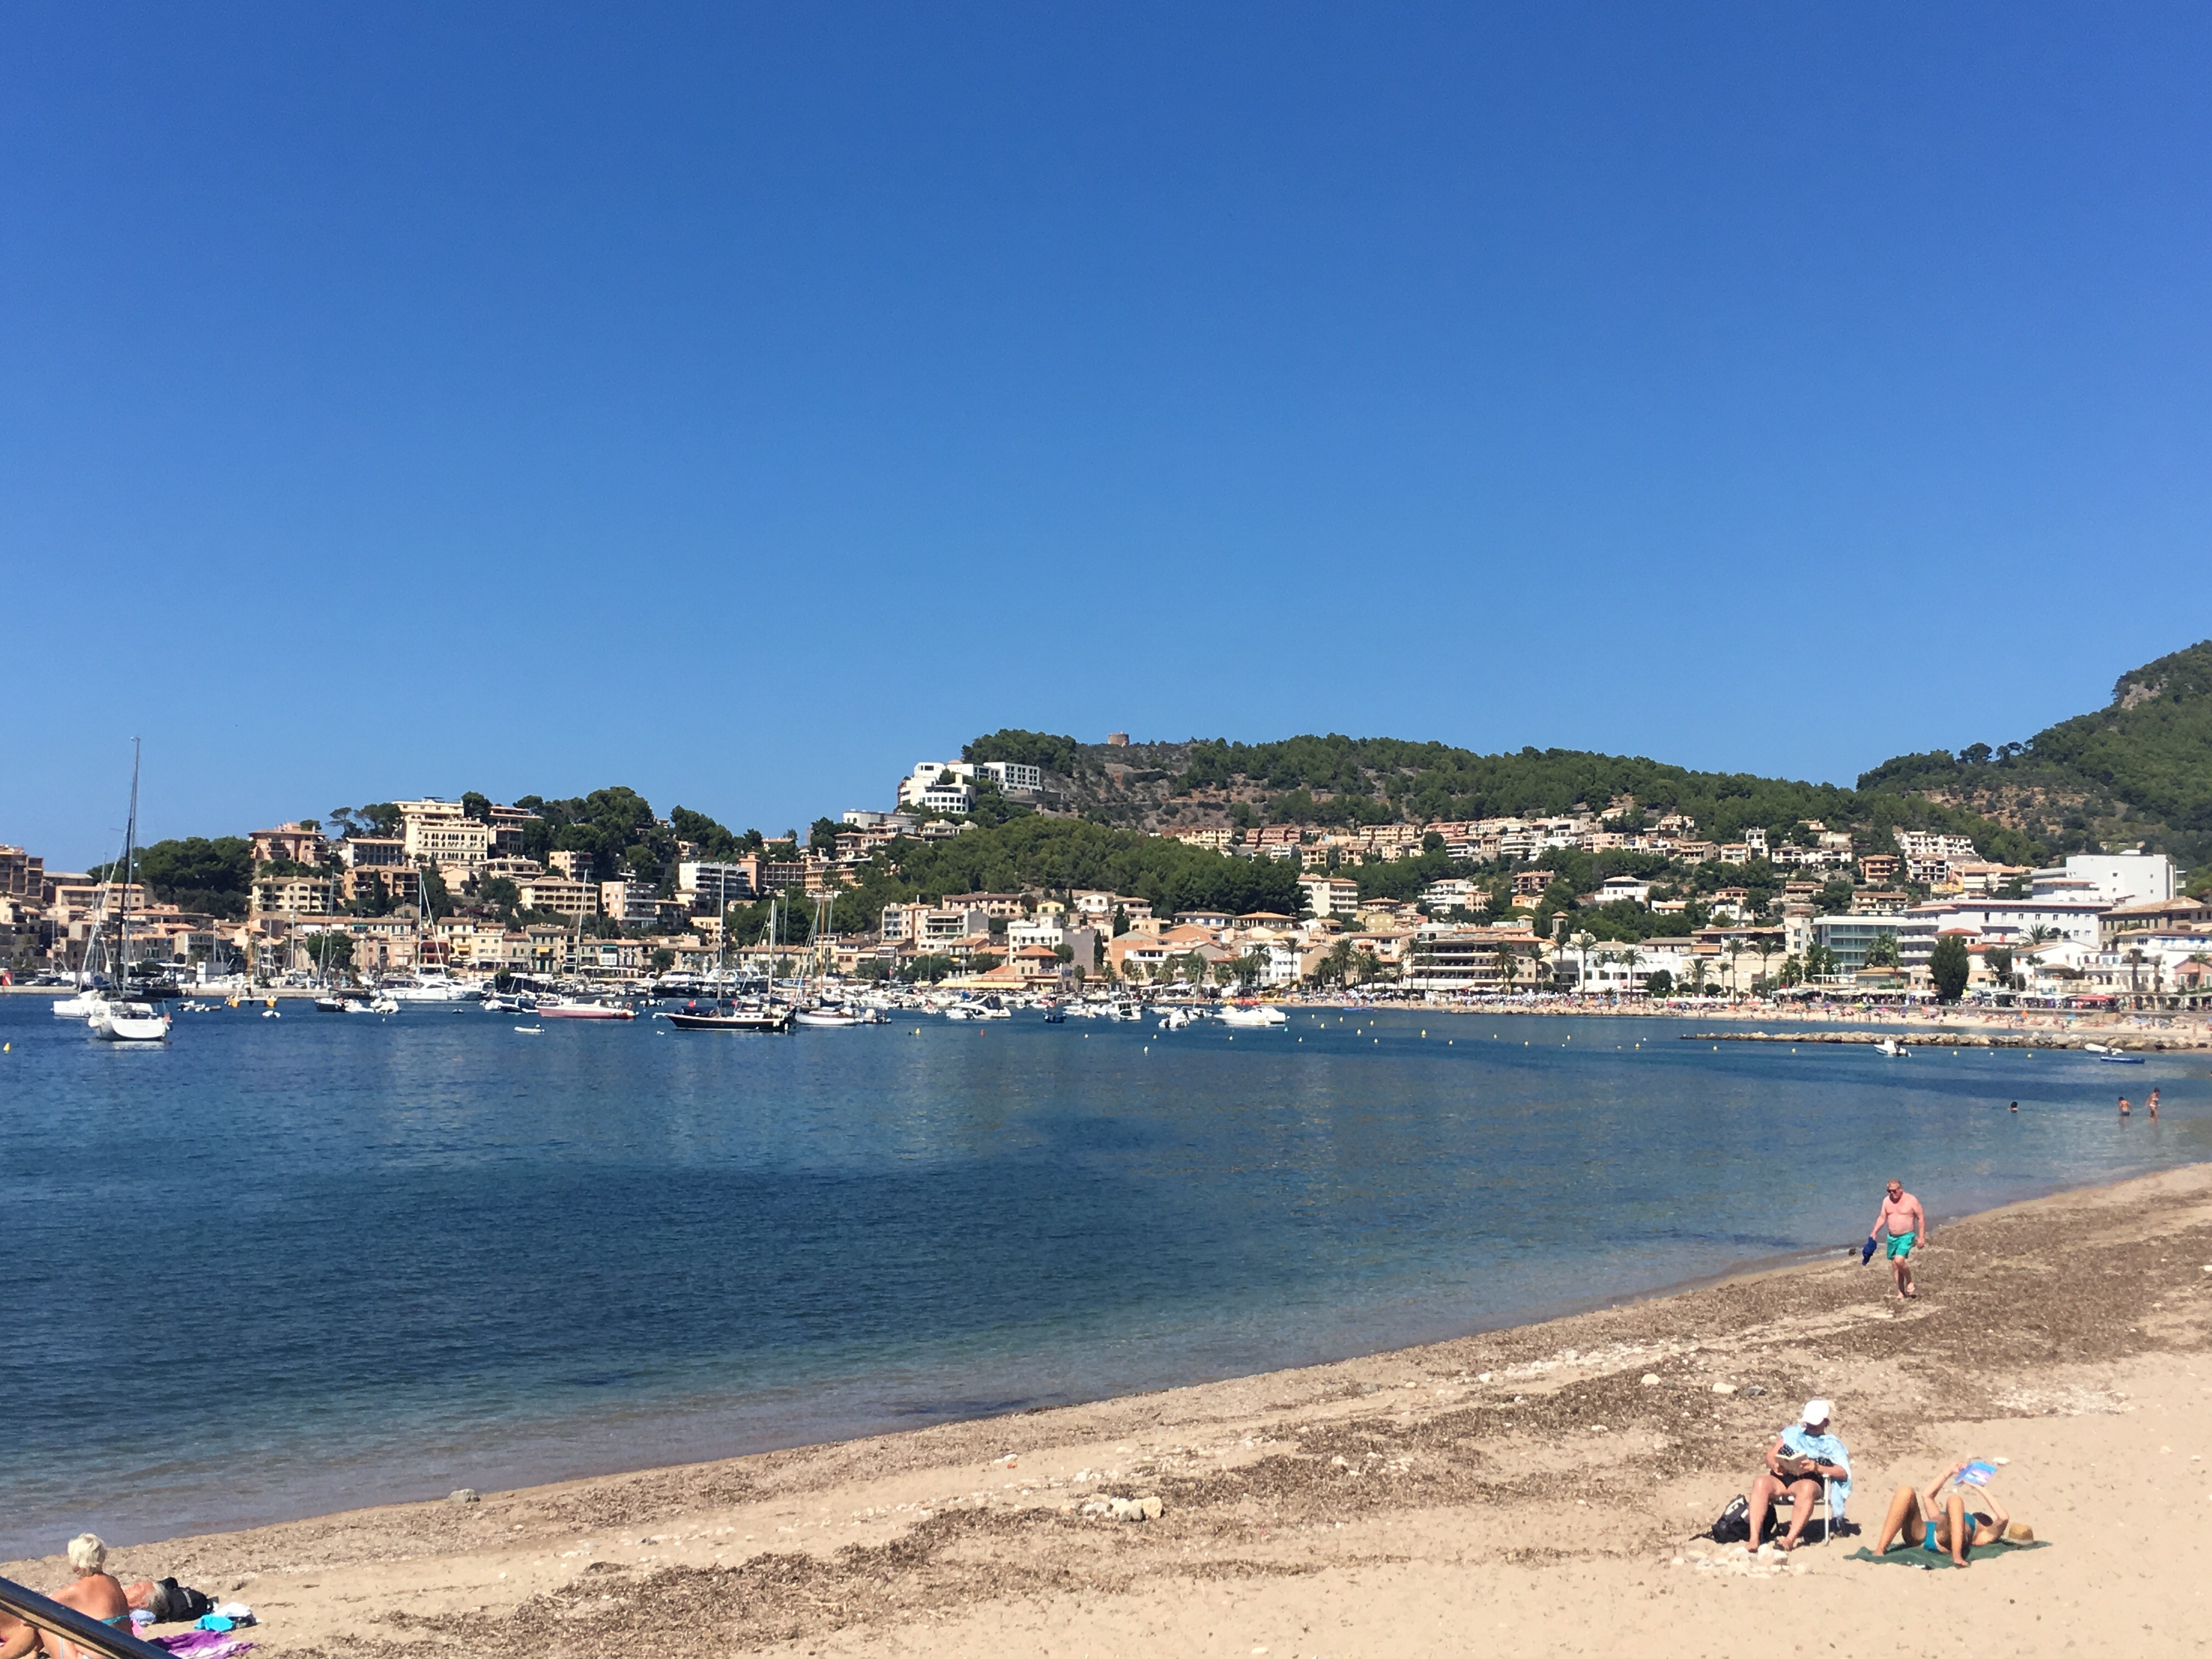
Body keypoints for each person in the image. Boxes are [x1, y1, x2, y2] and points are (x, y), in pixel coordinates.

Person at [1871, 1459, 2034, 1566]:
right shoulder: (1946, 1518)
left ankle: (1957, 1556)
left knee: (1955, 1500)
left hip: (1945, 1540)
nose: (1980, 1514)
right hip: (1922, 1533)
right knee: (1905, 1492)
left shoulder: (1982, 1534)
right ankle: (1880, 1549)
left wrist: (1979, 1487)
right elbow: (1927, 1496)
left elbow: (2003, 1517)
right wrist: (1949, 1471)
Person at [1745, 1399, 1852, 1551]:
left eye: (1815, 1423)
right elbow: (1770, 1455)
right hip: (1783, 1478)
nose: (1811, 1426)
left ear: (1826, 1423)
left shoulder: (1832, 1444)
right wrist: (1775, 1465)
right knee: (1761, 1482)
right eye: (1809, 1423)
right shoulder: (1792, 1434)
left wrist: (1818, 1467)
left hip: (1809, 1480)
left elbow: (1843, 1472)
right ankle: (1754, 1539)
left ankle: (1789, 1539)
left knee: (1807, 1488)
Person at [33, 1534, 132, 1659]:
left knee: (45, 1622)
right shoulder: (113, 1582)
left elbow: (37, 1608)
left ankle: (24, 1654)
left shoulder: (76, 1591)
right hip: (128, 1653)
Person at [1870, 1179, 1927, 1301]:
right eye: (1889, 1191)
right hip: (1892, 1237)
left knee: (1899, 1260)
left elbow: (1921, 1217)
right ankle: (1901, 1292)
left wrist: (1921, 1237)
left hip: (1907, 1236)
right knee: (1895, 1265)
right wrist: (1874, 1232)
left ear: (1901, 1189)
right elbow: (1882, 1218)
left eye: (1894, 1191)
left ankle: (1909, 1281)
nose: (1892, 1193)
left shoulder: (1911, 1200)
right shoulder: (1887, 1201)